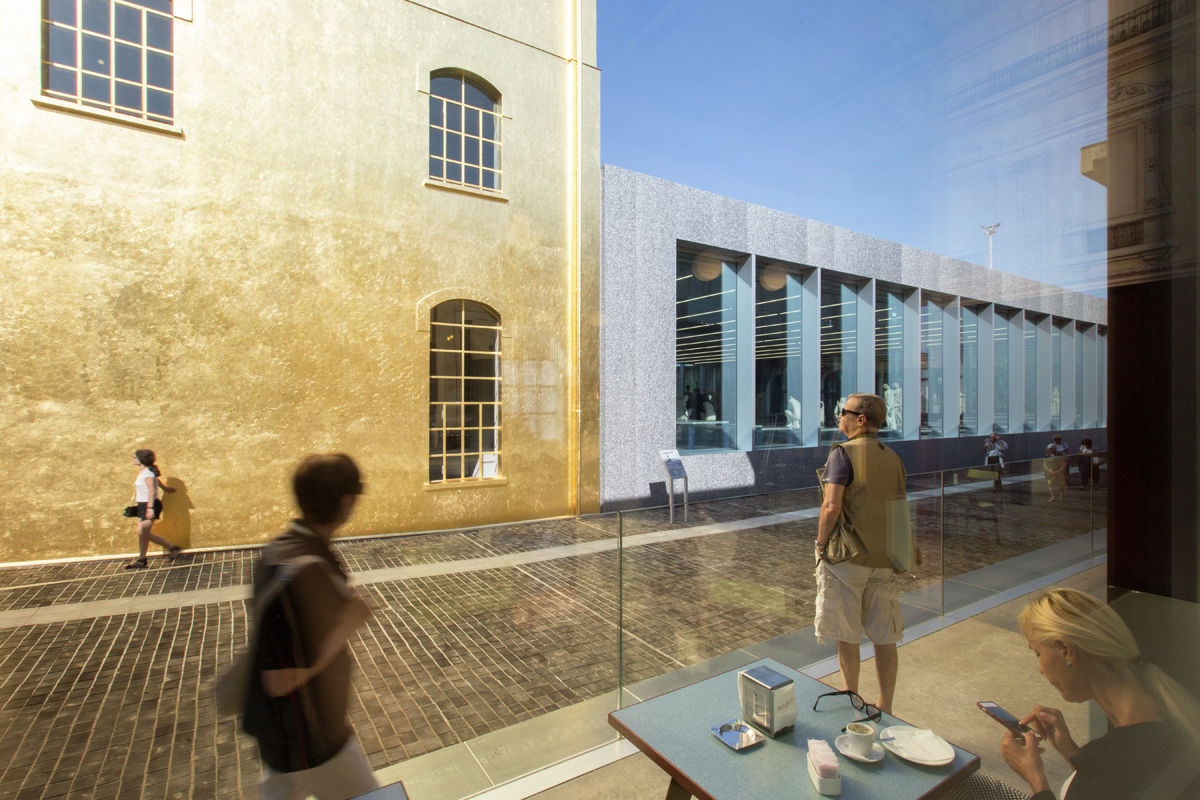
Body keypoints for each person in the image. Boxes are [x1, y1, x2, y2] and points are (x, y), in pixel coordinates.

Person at [246, 453, 379, 800]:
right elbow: (280, 679)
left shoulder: (282, 549)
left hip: (284, 739)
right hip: (314, 739)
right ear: (345, 502)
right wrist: (346, 625)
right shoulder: (306, 566)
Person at [1000, 588, 1200, 799]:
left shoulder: (1112, 761)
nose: (1040, 669)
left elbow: (1109, 779)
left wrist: (1035, 778)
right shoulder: (1170, 706)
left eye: (1038, 653)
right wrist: (1068, 749)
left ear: (1066, 650)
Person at [814, 392, 908, 714]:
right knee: (885, 637)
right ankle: (886, 706)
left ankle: (851, 698)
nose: (840, 416)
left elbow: (831, 506)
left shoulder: (843, 453)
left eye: (845, 412)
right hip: (883, 560)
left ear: (861, 419)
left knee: (847, 634)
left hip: (847, 560)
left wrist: (821, 543)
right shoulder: (893, 458)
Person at [125, 449, 180, 569]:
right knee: (141, 533)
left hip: (150, 505)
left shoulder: (147, 473)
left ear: (141, 460)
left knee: (143, 532)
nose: (132, 459)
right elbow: (156, 480)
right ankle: (142, 559)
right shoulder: (147, 472)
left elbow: (151, 490)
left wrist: (150, 509)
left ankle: (173, 548)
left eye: (134, 457)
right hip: (143, 504)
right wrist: (165, 488)